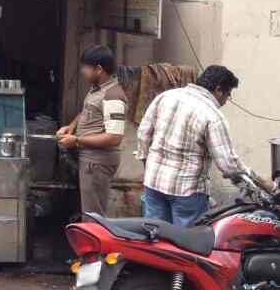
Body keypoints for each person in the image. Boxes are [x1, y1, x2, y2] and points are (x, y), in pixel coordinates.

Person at [137, 65, 272, 227]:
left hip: (153, 183)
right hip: (187, 192)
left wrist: (148, 166)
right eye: (228, 95)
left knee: (155, 238)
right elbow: (228, 165)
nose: (225, 102)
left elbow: (143, 134)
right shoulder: (212, 115)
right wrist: (258, 181)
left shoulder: (165, 97)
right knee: (187, 245)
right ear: (218, 90)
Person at [58, 45, 127, 220]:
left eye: (85, 68)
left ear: (98, 69)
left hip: (97, 163)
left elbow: (114, 138)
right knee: (89, 212)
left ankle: (96, 248)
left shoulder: (113, 96)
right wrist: (71, 127)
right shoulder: (97, 90)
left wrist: (77, 140)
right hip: (90, 160)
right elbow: (87, 111)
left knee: (93, 217)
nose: (82, 71)